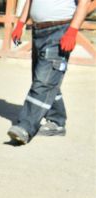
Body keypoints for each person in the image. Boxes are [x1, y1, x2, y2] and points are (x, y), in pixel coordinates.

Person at [7, 0, 91, 145]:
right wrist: (21, 23)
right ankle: (57, 122)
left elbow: (84, 3)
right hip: (39, 31)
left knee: (43, 82)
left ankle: (25, 126)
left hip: (60, 30)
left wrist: (73, 31)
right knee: (45, 78)